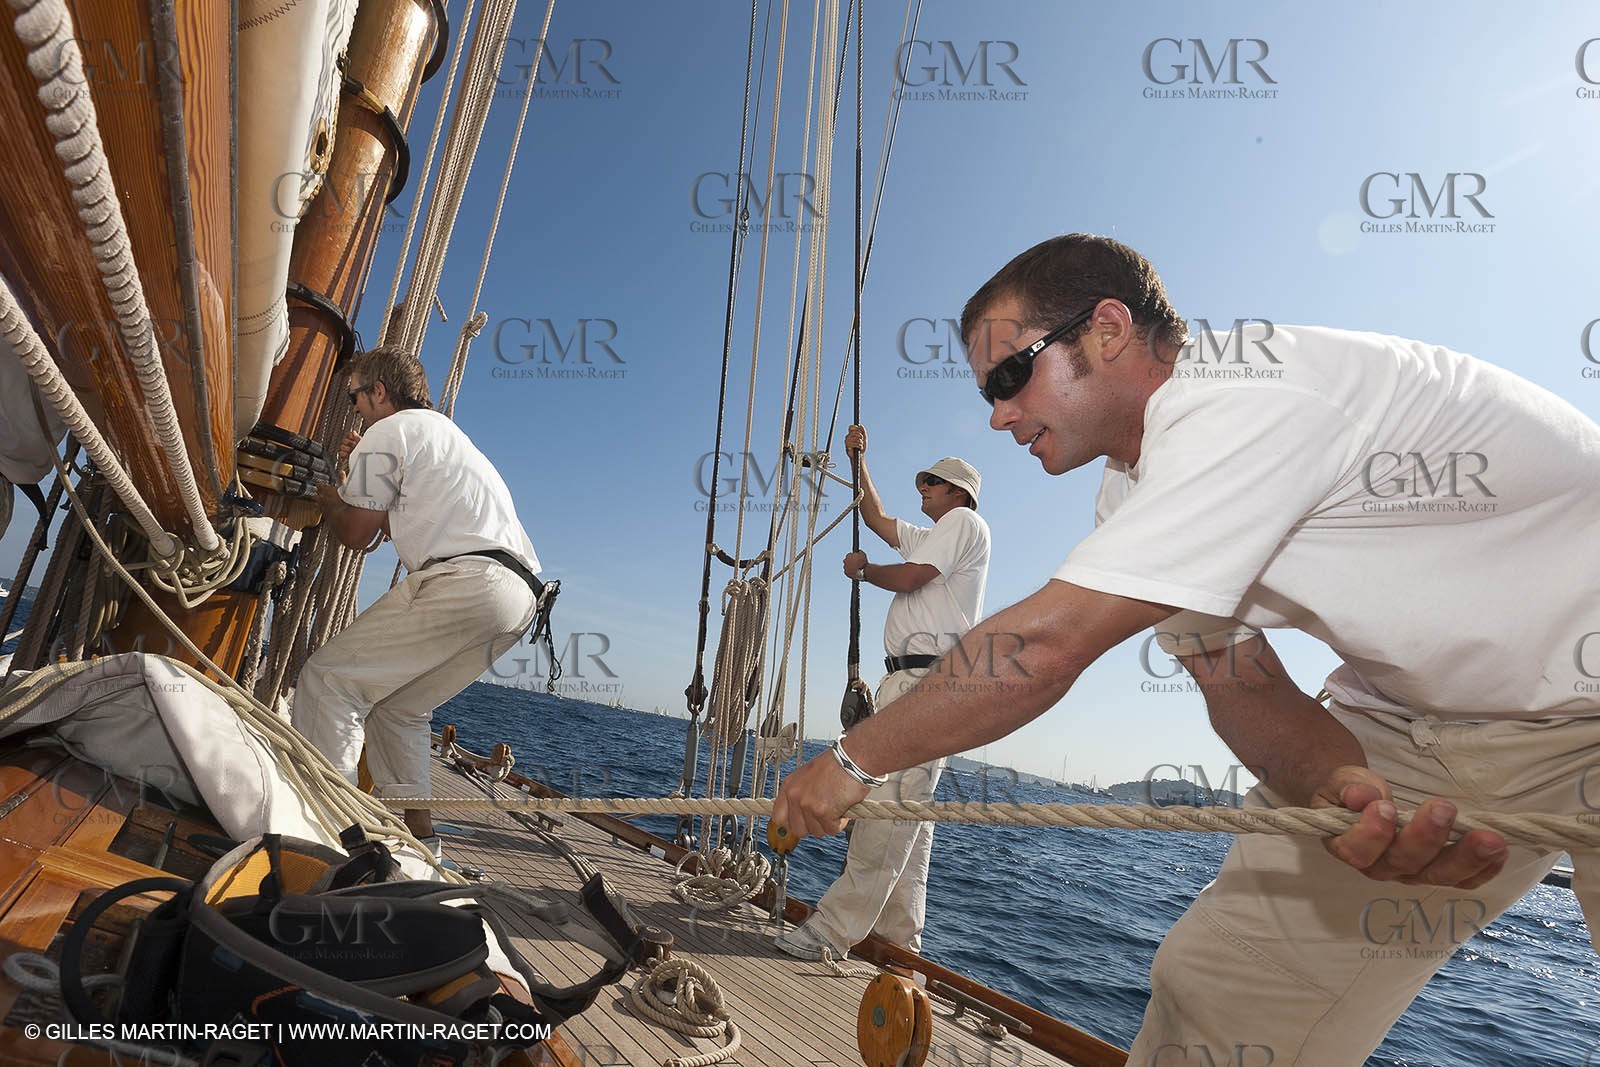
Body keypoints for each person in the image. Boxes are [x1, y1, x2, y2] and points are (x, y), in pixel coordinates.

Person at [772, 233, 1600, 1063]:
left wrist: (849, 762)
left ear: (1106, 330)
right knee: (1216, 994)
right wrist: (1345, 789)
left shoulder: (1243, 393)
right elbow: (1242, 682)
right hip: (1411, 711)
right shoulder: (1129, 496)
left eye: (1009, 376)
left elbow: (1048, 646)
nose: (996, 414)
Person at [291, 346, 541, 852]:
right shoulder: (447, 436)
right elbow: (391, 514)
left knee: (329, 680)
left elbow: (359, 534)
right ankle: (419, 836)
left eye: (355, 397)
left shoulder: (388, 432)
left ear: (379, 392)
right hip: (519, 597)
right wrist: (358, 469)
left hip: (465, 581)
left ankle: (333, 838)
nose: (354, 408)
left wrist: (330, 498)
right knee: (399, 709)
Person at [775, 427, 990, 961]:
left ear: (958, 494)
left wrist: (866, 571)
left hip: (926, 684)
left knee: (885, 813)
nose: (923, 488)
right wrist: (859, 459)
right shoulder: (936, 533)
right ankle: (900, 948)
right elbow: (873, 517)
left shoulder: (965, 523)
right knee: (909, 832)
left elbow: (915, 577)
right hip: (915, 682)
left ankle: (830, 934)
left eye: (933, 483)